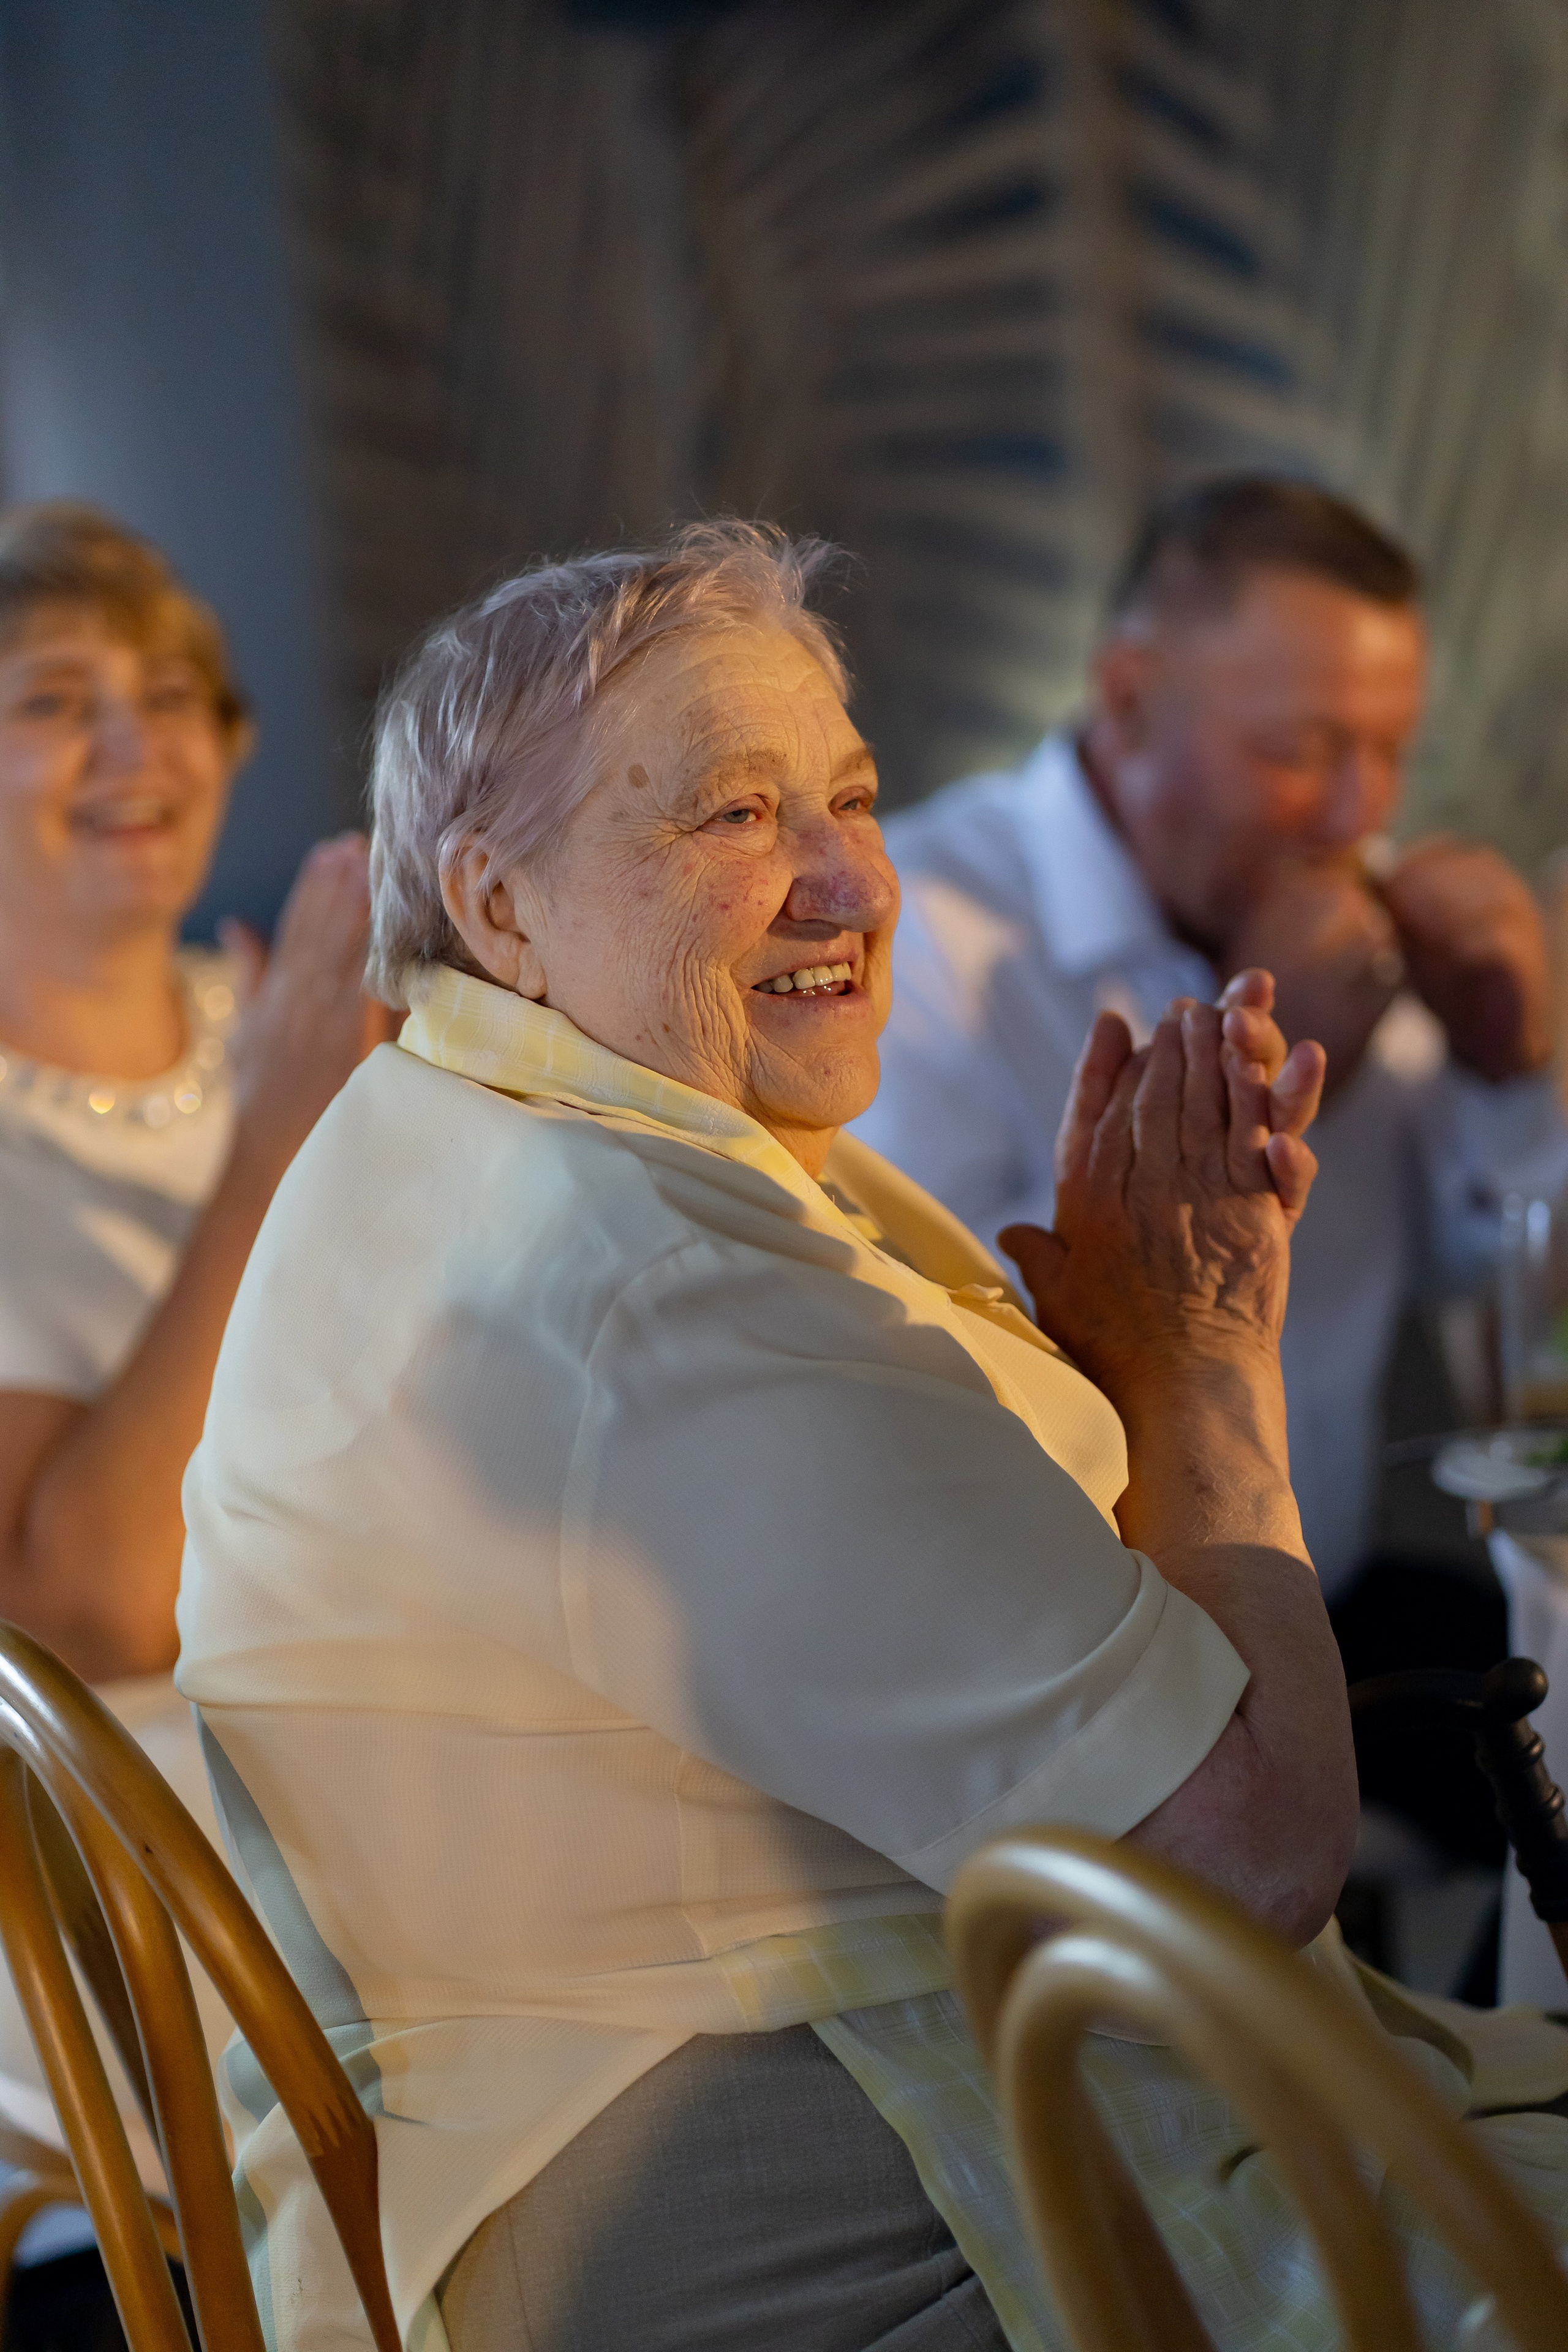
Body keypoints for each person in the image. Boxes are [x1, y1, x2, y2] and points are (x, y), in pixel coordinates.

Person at [176, 522, 1568, 2352]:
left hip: (563, 2132)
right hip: (713, 2224)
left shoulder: (474, 1110)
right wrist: (1204, 1356)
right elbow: (1239, 1865)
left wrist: (1106, 1347)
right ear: (498, 903)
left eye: (854, 796)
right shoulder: (634, 1267)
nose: (844, 881)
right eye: (733, 818)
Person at [854, 475, 1567, 1872]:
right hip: (1068, 1684)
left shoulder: (1356, 930)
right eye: (1302, 750)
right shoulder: (912, 942)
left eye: (1387, 753)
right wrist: (1256, 1077)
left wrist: (1512, 1073)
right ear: (1125, 698)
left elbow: (1520, 1307)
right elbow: (931, 1375)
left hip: (1327, 1601)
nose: (1357, 813)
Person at [0, 502, 385, 2199]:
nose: (131, 743)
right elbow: (91, 1610)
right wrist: (275, 1144)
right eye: (51, 699)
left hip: (397, 1774)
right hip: (140, 1920)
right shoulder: (294, 1074)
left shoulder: (295, 1026)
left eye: (172, 696)